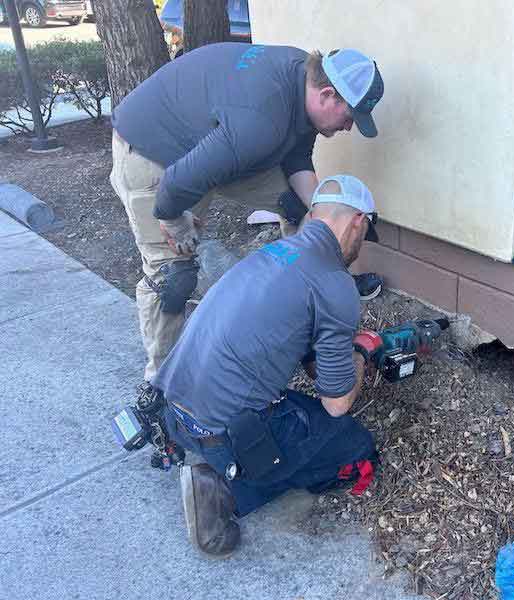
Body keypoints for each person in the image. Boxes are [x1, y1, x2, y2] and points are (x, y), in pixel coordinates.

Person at [109, 43, 385, 390]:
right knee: (172, 278)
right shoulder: (260, 121)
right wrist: (175, 222)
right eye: (350, 117)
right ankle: (162, 384)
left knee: (295, 206)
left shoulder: (303, 78)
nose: (349, 127)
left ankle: (311, 296)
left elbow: (296, 154)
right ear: (327, 94)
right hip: (155, 154)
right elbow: (176, 185)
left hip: (217, 144)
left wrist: (322, 212)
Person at [152, 175, 384, 557]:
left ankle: (207, 456)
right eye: (365, 235)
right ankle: (224, 488)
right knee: (354, 445)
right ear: (358, 221)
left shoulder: (272, 255)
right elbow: (336, 403)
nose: (359, 250)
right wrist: (360, 352)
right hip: (224, 436)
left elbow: (296, 348)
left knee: (289, 407)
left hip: (174, 413)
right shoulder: (334, 283)